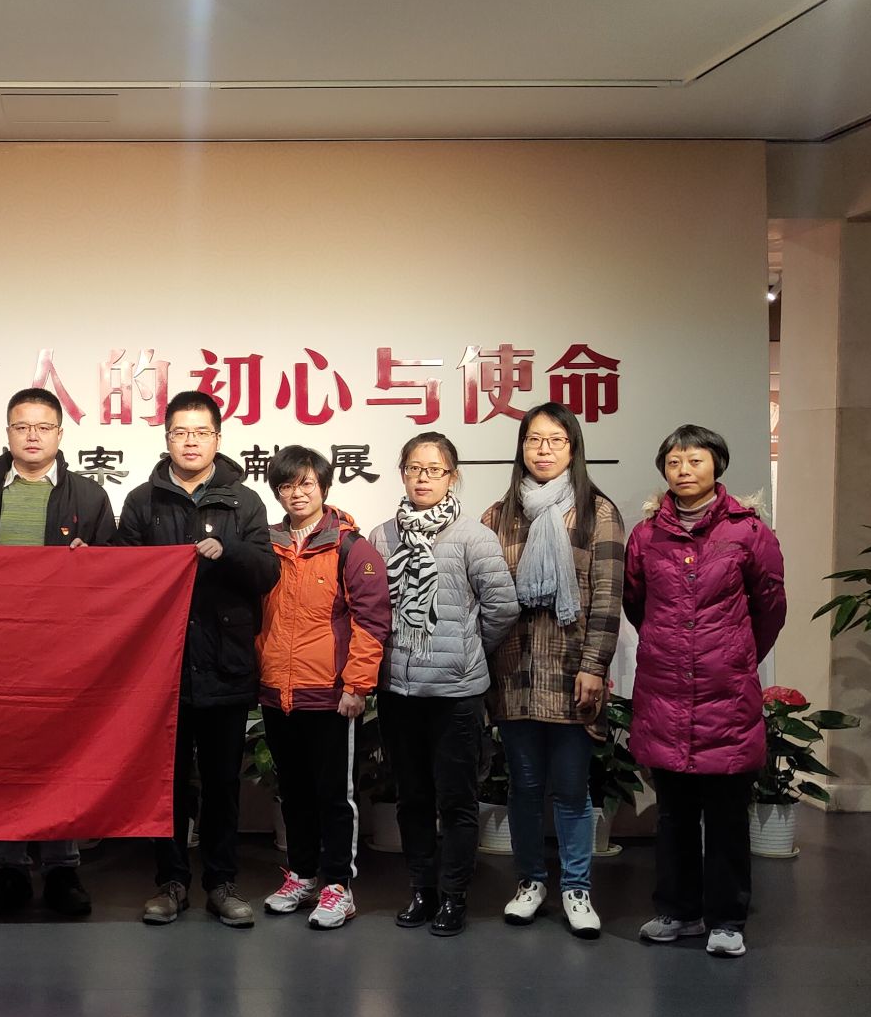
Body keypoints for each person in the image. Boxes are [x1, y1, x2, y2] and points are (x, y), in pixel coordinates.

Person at [0, 387, 117, 918]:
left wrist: (92, 561)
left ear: (60, 434)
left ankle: (63, 867)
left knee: (62, 755)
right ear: (8, 433)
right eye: (22, 426)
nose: (33, 436)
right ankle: (10, 867)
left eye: (43, 427)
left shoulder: (89, 497)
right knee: (5, 756)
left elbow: (118, 576)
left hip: (65, 653)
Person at [117, 391, 278, 928]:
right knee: (166, 782)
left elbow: (267, 573)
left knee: (222, 784)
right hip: (160, 668)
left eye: (201, 432)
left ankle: (221, 882)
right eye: (180, 432)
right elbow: (121, 575)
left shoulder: (244, 502)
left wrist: (228, 551)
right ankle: (170, 882)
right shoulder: (142, 501)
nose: (190, 442)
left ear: (217, 439)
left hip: (225, 663)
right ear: (167, 439)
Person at [626, 425, 786, 959]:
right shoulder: (646, 536)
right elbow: (636, 603)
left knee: (726, 816)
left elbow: (770, 607)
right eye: (674, 462)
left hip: (726, 694)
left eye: (695, 460)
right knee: (672, 813)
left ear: (717, 465)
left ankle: (727, 919)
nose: (684, 470)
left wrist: (734, 656)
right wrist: (671, 647)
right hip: (665, 692)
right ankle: (677, 911)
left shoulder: (749, 532)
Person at [481, 402, 626, 941]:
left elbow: (607, 597)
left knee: (570, 789)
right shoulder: (498, 516)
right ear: (521, 448)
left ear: (573, 448)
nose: (543, 450)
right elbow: (485, 597)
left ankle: (577, 888)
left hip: (572, 670)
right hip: (515, 669)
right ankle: (530, 882)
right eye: (533, 440)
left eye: (555, 440)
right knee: (523, 786)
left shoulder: (597, 512)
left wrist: (594, 666)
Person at [368, 432, 518, 937]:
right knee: (411, 798)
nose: (423, 478)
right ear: (402, 474)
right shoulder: (382, 536)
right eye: (414, 468)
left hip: (455, 694)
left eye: (434, 469)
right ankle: (421, 890)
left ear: (453, 476)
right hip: (399, 692)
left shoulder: (474, 536)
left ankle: (454, 895)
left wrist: (465, 650)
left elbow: (502, 609)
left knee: (456, 800)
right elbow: (374, 610)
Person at [255, 446, 392, 930]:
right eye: (286, 486)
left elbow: (372, 621)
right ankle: (302, 875)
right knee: (293, 792)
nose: (297, 494)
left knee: (335, 795)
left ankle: (338, 886)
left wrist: (357, 685)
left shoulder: (351, 547)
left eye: (306, 484)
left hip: (330, 694)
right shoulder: (266, 544)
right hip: (277, 692)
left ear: (324, 487)